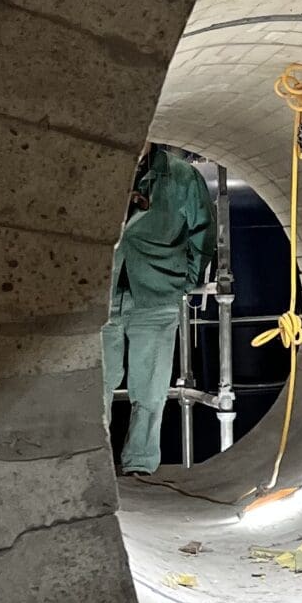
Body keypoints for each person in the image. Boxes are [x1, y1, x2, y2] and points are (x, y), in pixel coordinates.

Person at [102, 144, 215, 476]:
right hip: (102, 294)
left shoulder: (181, 176)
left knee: (150, 388)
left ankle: (140, 464)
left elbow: (203, 231)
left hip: (156, 294)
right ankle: (93, 462)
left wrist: (183, 280)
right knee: (95, 386)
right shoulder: (99, 165)